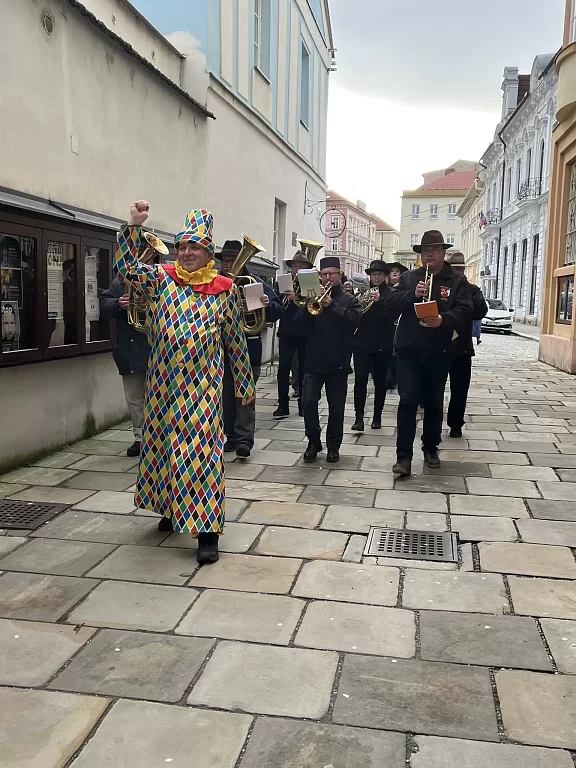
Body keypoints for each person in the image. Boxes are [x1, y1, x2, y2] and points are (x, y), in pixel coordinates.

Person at [116, 201, 254, 564]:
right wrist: (133, 226)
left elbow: (235, 340)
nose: (186, 252)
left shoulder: (224, 289)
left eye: (194, 247)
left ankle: (207, 531)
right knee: (163, 448)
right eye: (181, 246)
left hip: (202, 387)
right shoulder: (162, 278)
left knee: (201, 454)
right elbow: (127, 268)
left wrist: (244, 384)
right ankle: (171, 508)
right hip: (162, 384)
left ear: (207, 253)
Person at [384, 230, 473, 475]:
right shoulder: (409, 278)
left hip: (439, 350)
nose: (429, 254)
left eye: (434, 250)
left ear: (443, 253)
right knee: (408, 399)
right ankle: (403, 457)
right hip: (409, 349)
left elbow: (466, 311)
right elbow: (390, 304)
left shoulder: (456, 280)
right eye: (425, 250)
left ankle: (431, 447)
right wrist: (412, 295)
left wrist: (443, 319)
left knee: (434, 400)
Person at [219, 240, 282, 457]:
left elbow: (277, 311)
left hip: (248, 347)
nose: (228, 265)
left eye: (232, 260)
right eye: (225, 261)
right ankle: (230, 437)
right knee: (226, 397)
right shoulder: (214, 283)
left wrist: (266, 304)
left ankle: (244, 440)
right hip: (221, 349)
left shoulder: (253, 283)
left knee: (246, 397)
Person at [298, 256, 362, 463]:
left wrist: (332, 305)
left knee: (336, 408)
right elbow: (300, 325)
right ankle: (313, 441)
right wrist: (306, 305)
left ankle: (333, 446)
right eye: (324, 274)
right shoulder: (312, 297)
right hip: (313, 361)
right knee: (308, 404)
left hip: (338, 362)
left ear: (340, 275)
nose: (328, 278)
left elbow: (354, 322)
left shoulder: (349, 300)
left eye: (332, 274)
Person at [99, 272, 152, 457]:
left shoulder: (157, 280)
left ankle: (159, 437)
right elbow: (104, 305)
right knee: (134, 398)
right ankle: (140, 438)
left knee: (158, 397)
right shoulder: (119, 284)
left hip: (156, 348)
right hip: (129, 350)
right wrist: (117, 304)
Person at [444, 251, 487, 438]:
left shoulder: (472, 289)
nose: (458, 272)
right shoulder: (441, 288)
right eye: (454, 269)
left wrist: (467, 293)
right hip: (439, 344)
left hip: (461, 346)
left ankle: (455, 424)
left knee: (460, 388)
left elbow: (480, 312)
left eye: (460, 269)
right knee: (434, 387)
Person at [351, 260, 396, 431]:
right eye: (373, 275)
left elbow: (392, 316)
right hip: (361, 343)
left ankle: (377, 416)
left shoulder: (391, 293)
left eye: (379, 274)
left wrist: (380, 302)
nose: (376, 277)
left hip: (382, 343)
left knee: (380, 381)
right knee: (360, 380)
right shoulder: (363, 292)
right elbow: (356, 314)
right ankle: (359, 417)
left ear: (385, 276)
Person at [274, 251, 313, 419]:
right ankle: (283, 404)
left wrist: (296, 298)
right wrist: (283, 297)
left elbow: (313, 306)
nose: (297, 269)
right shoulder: (283, 282)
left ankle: (303, 404)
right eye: (295, 266)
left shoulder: (311, 282)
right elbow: (278, 305)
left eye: (301, 266)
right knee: (283, 369)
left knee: (304, 369)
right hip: (287, 331)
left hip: (305, 332)